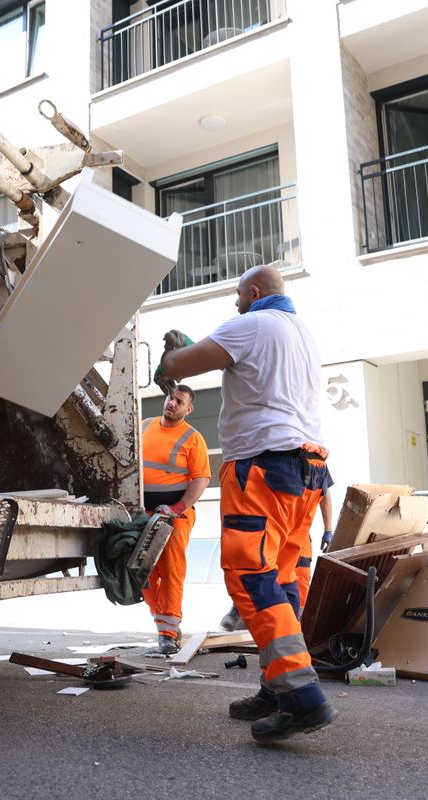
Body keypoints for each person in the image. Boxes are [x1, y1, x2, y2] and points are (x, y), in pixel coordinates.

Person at [159, 264, 336, 744]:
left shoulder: (252, 323)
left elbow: (179, 367)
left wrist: (172, 351)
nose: (234, 303)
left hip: (262, 466)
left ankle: (302, 698)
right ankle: (276, 687)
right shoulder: (303, 333)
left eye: (238, 295)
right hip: (308, 470)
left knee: (250, 578)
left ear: (254, 293)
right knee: (282, 581)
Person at [141, 385, 211, 656]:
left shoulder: (193, 438)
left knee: (171, 572)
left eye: (179, 401)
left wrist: (178, 507)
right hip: (143, 513)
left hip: (175, 515)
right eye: (171, 398)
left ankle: (167, 634)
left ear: (188, 409)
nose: (172, 403)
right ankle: (165, 623)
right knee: (142, 572)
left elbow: (201, 479)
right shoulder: (145, 426)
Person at [216, 484, 335, 631]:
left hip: (296, 535)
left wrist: (328, 529)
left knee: (299, 583)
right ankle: (244, 617)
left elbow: (324, 492)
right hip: (271, 530)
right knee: (258, 574)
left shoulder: (316, 466)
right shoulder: (273, 464)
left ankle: (298, 629)